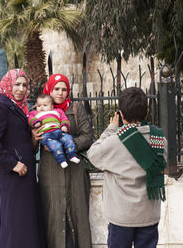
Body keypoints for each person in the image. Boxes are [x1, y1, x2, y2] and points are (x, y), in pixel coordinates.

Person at [87, 87, 167, 248]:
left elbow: (93, 155)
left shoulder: (114, 141)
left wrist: (111, 128)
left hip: (121, 217)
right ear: (147, 112)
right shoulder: (159, 139)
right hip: (149, 215)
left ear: (121, 114)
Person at [0, 69, 45, 248]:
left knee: (26, 220)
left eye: (24, 85)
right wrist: (13, 164)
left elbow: (26, 145)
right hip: (14, 175)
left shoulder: (21, 107)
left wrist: (34, 138)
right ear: (8, 84)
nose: (21, 89)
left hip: (25, 174)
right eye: (17, 84)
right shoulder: (1, 107)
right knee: (15, 221)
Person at [33, 73, 93, 248]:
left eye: (64, 89)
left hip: (74, 169)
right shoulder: (39, 109)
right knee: (54, 217)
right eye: (56, 89)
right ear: (49, 90)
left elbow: (87, 136)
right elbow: (32, 146)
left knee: (79, 214)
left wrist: (65, 145)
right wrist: (34, 138)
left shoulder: (76, 107)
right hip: (50, 170)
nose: (60, 93)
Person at [28, 94, 80, 168]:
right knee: (56, 145)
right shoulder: (34, 113)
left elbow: (64, 118)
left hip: (58, 132)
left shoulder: (57, 111)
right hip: (46, 135)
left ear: (52, 106)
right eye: (39, 105)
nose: (41, 107)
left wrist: (64, 125)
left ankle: (72, 155)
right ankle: (61, 160)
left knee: (69, 138)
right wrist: (35, 122)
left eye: (45, 105)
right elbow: (30, 118)